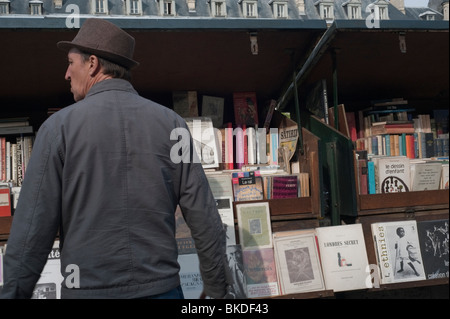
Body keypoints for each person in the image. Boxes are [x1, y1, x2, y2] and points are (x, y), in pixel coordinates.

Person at [1, 18, 228, 299]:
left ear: (92, 63)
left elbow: (31, 231)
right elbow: (204, 215)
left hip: (87, 290)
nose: (66, 73)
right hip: (161, 288)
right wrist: (218, 290)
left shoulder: (58, 128)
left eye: (71, 63)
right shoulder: (173, 125)